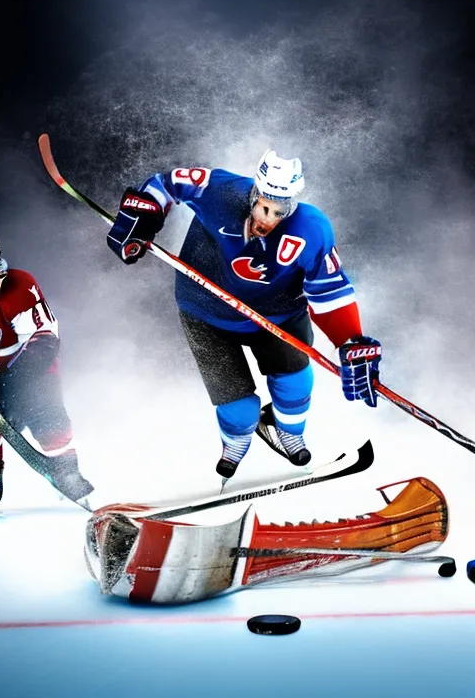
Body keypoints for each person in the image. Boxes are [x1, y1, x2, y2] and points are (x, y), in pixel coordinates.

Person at [106, 150, 382, 479]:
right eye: (263, 206)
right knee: (238, 408)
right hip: (205, 312)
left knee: (295, 385)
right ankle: (235, 442)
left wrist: (349, 341)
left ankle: (287, 433)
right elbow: (166, 185)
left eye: (279, 211)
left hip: (279, 317)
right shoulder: (222, 191)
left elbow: (329, 291)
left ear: (292, 205)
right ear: (254, 192)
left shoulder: (312, 230)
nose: (267, 218)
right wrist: (146, 212)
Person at [0, 233, 94, 511]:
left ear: (0, 266)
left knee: (47, 412)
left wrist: (17, 381)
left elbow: (46, 338)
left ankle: (67, 472)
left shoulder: (20, 285)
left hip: (29, 372)